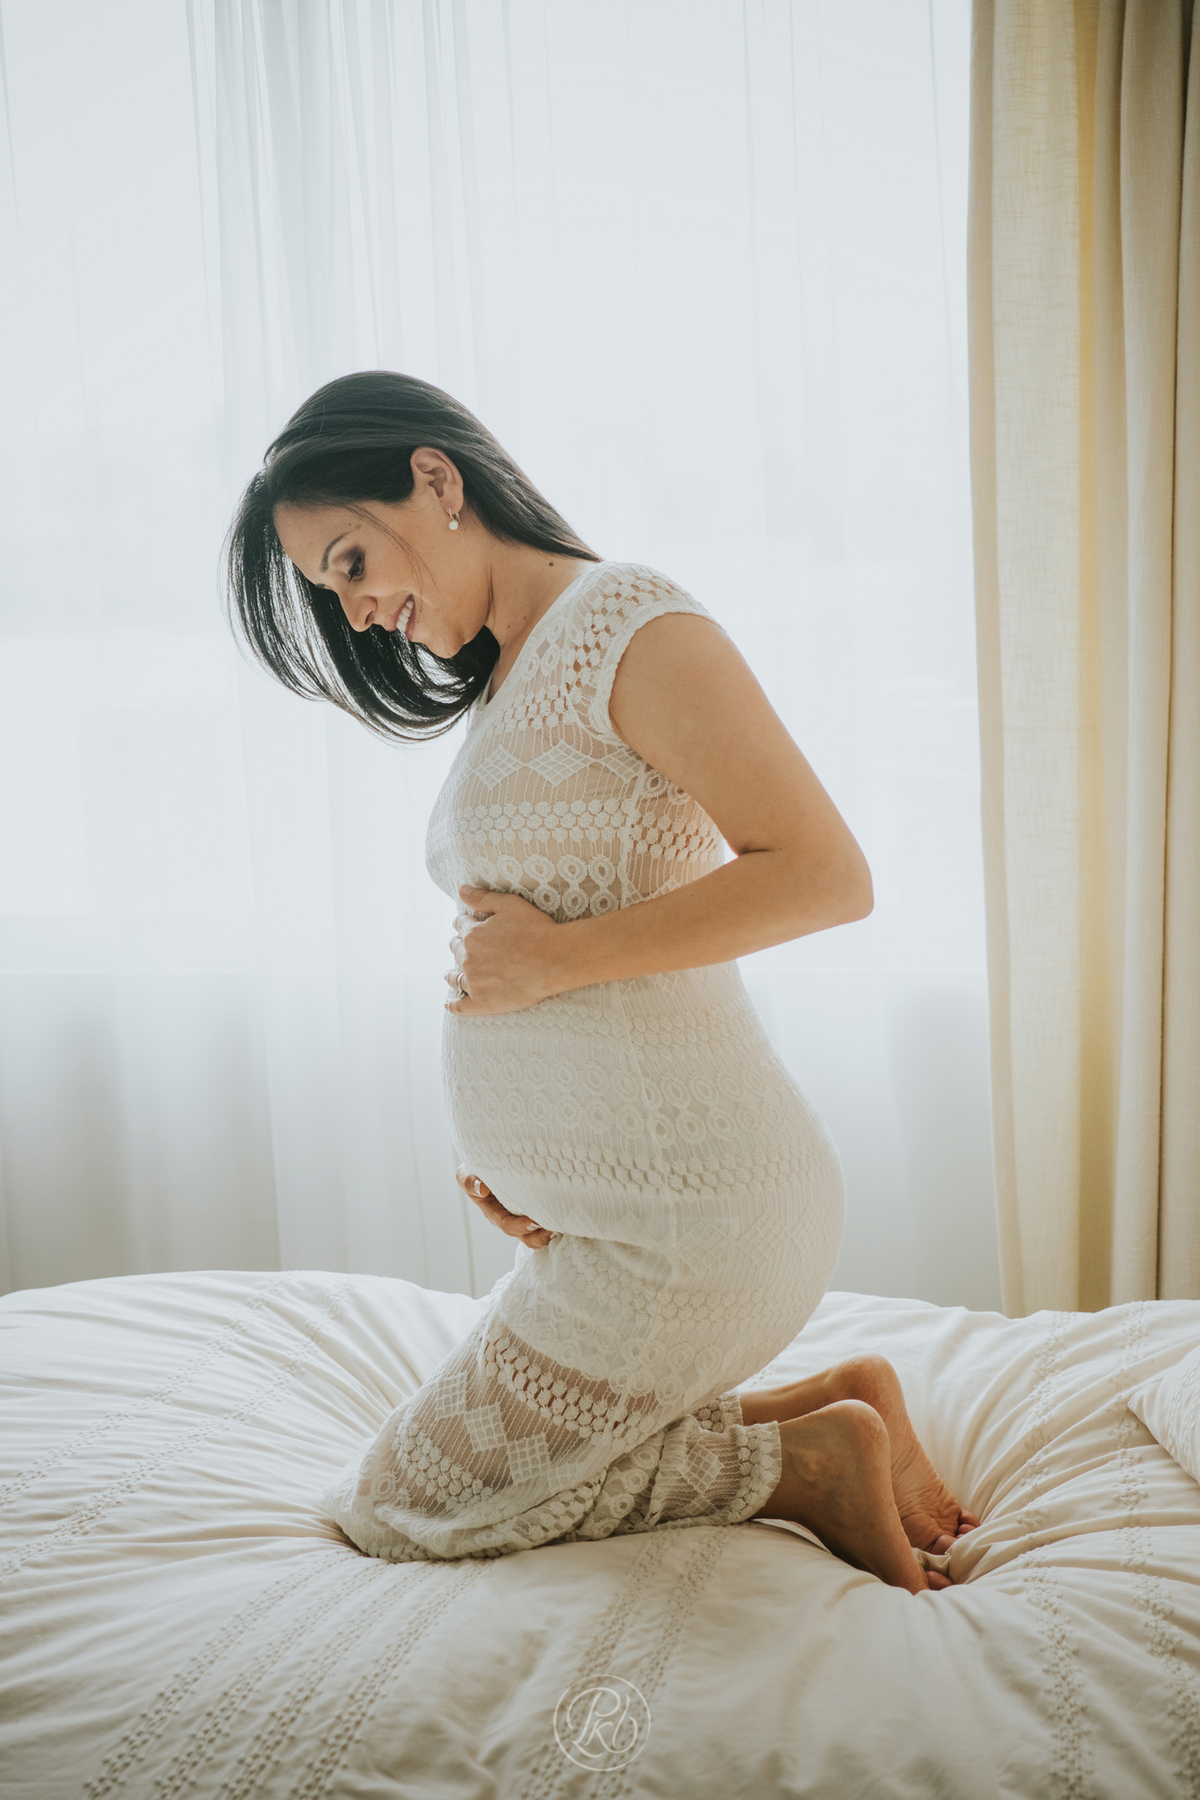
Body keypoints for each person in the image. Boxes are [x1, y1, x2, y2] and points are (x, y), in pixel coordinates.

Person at [226, 370, 977, 1594]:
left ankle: (808, 1465)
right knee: (444, 1483)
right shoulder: (519, 669)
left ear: (434, 477)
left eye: (351, 561)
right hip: (623, 1219)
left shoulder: (627, 625)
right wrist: (534, 1159)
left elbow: (829, 875)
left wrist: (552, 966)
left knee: (405, 1508)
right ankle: (834, 1404)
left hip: (703, 1219)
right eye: (333, 591)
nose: (358, 613)